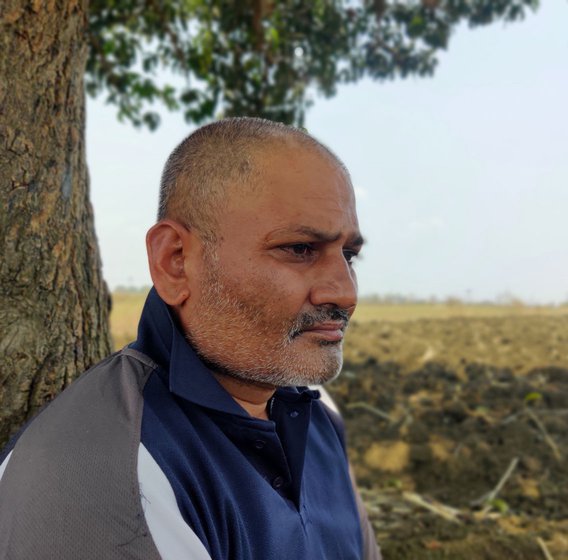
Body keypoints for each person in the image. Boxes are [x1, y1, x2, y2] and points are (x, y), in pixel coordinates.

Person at [0, 117, 381, 559]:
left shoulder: (315, 413)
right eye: (299, 249)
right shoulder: (107, 479)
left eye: (349, 255)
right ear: (175, 261)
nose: (345, 292)